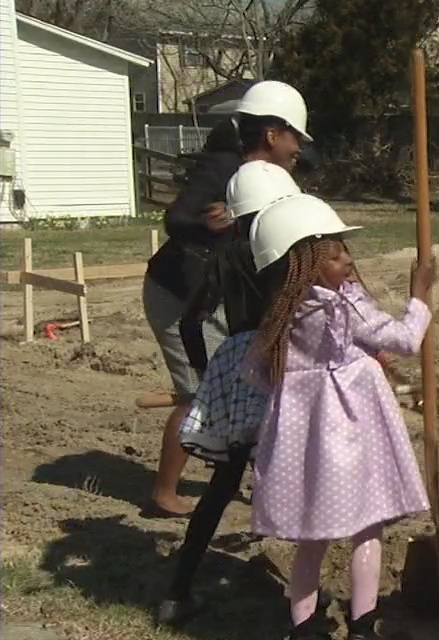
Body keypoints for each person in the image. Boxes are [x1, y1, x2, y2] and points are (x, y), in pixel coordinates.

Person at [245, 193, 433, 640]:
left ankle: (304, 627)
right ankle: (364, 624)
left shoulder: (284, 311)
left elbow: (256, 372)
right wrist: (419, 295)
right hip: (351, 426)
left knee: (313, 535)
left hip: (307, 436)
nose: (347, 260)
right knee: (368, 527)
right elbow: (406, 339)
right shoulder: (343, 305)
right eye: (334, 255)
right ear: (306, 263)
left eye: (345, 251)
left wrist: (330, 368)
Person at [142, 79, 313, 518]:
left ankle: (263, 486)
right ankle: (164, 493)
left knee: (252, 389)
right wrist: (210, 224)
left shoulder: (274, 180)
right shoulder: (221, 169)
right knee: (197, 393)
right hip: (178, 295)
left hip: (217, 297)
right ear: (272, 134)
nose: (299, 148)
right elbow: (176, 218)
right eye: (295, 136)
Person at [154, 160, 301, 628]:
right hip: (280, 375)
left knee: (221, 487)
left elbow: (190, 322)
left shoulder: (224, 255)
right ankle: (305, 605)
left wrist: (210, 375)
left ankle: (176, 594)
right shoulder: (280, 255)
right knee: (301, 484)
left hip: (239, 381)